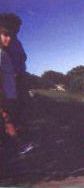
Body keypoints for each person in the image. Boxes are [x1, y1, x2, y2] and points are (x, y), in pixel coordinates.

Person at [0, 26, 33, 155]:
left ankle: (16, 146)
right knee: (8, 120)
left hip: (9, 94)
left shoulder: (4, 54)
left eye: (10, 36)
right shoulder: (0, 54)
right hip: (4, 95)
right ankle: (19, 146)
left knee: (8, 120)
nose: (9, 38)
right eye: (5, 35)